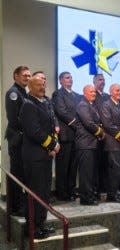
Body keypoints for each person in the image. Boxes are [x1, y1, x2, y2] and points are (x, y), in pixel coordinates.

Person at [20, 76, 60, 239]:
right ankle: (31, 228)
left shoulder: (46, 102)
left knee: (44, 192)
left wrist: (54, 144)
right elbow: (34, 131)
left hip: (45, 155)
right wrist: (52, 145)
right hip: (34, 156)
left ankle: (40, 224)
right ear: (30, 86)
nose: (42, 86)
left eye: (43, 84)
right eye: (38, 84)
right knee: (35, 192)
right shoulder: (28, 104)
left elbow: (52, 127)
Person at [5, 66, 31, 216]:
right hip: (17, 139)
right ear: (15, 76)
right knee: (17, 174)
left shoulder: (23, 92)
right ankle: (16, 207)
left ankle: (21, 204)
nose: (27, 78)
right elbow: (14, 119)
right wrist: (30, 127)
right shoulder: (13, 93)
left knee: (22, 173)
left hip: (23, 139)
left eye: (28, 76)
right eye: (24, 76)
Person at [52, 72, 81, 201]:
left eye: (71, 77)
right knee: (63, 166)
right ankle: (62, 193)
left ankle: (71, 190)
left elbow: (80, 112)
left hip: (76, 135)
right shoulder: (58, 94)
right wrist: (78, 126)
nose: (70, 79)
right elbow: (61, 112)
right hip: (65, 134)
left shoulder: (76, 95)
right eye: (67, 77)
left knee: (73, 166)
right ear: (60, 81)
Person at [76, 85, 105, 205]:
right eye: (91, 91)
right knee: (86, 173)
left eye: (94, 91)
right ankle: (86, 198)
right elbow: (88, 123)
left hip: (92, 143)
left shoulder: (91, 105)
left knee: (91, 172)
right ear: (84, 93)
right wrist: (101, 132)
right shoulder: (83, 105)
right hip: (85, 143)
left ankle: (90, 195)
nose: (94, 93)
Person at [101, 84, 120, 203]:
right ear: (111, 92)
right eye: (117, 90)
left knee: (119, 169)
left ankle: (115, 192)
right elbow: (107, 124)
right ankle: (111, 195)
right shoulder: (106, 105)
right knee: (114, 170)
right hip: (112, 142)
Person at [93, 74, 110, 197]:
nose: (102, 82)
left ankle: (105, 186)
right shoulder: (92, 96)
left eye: (103, 80)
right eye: (100, 80)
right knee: (96, 163)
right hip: (97, 134)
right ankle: (96, 189)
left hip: (109, 135)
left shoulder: (107, 96)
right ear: (94, 81)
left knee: (106, 162)